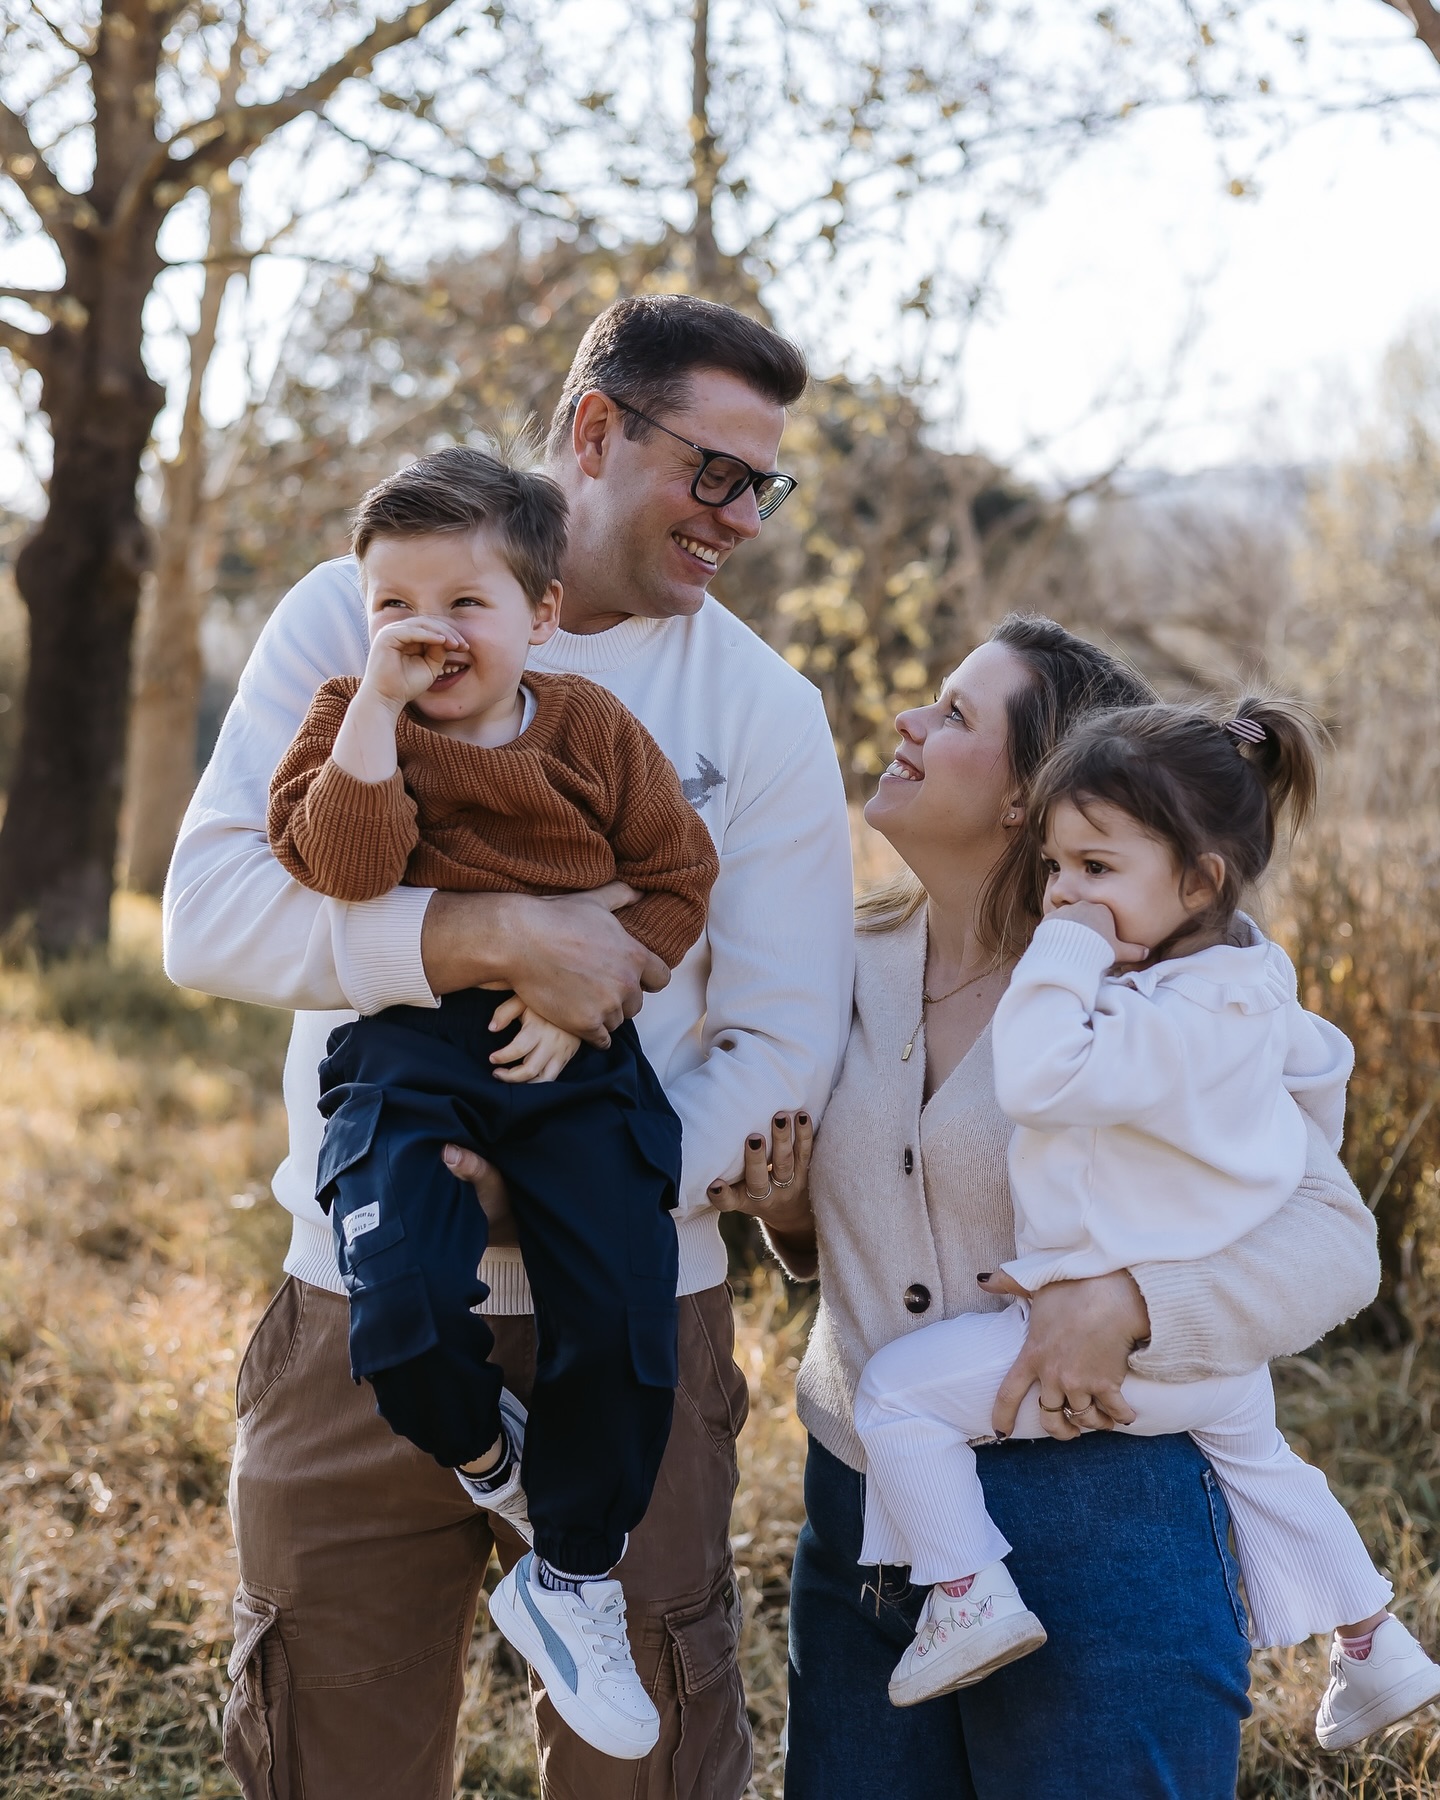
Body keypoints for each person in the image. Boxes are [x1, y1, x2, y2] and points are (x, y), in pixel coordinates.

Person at [163, 295, 855, 1800]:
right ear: (596, 430)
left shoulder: (764, 712)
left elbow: (787, 1039)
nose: (739, 518)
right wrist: (485, 936)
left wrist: (585, 1175)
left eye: (764, 485)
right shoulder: (355, 619)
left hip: (633, 1302)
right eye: (715, 472)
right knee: (327, 1753)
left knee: (651, 1769)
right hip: (360, 1294)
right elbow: (209, 917)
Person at [708, 614, 1387, 1798]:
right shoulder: (835, 962)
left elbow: (1335, 1241)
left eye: (958, 714)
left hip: (1102, 1512)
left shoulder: (1171, 984)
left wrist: (1132, 1303)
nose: (911, 722)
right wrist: (796, 1222)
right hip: (865, 1515)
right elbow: (873, 1213)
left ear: (1036, 795)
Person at [850, 695, 1440, 1749]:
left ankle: (969, 1591)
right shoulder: (1247, 989)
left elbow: (1035, 1076)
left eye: (1096, 870)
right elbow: (1324, 1065)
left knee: (896, 1398)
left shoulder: (1153, 1015)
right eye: (1056, 870)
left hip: (1134, 1355)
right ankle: (1374, 1644)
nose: (1065, 895)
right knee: (1265, 1467)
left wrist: (1063, 956)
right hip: (1209, 1359)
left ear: (1200, 881)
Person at [266, 444, 722, 1761]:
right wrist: (368, 718)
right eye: (394, 605)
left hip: (572, 1046)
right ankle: (484, 1453)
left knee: (625, 1302)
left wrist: (591, 984)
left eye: (464, 604)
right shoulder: (353, 720)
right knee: (397, 1298)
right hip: (405, 1044)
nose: (427, 632)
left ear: (542, 614)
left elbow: (675, 881)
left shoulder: (591, 735)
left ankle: (573, 1574)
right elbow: (345, 870)